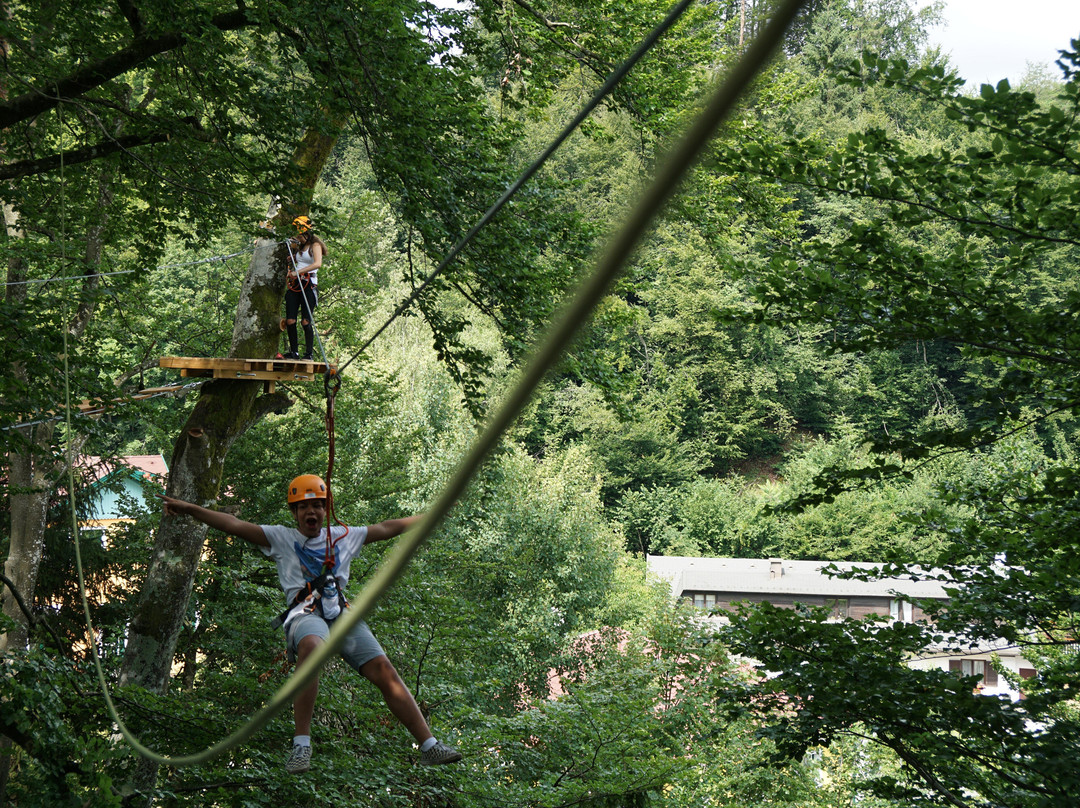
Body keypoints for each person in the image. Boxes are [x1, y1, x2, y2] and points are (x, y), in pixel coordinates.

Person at [159, 475, 463, 773]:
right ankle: (301, 744)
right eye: (303, 507)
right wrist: (189, 509)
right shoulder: (281, 537)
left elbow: (386, 528)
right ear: (294, 513)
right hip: (304, 614)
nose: (311, 512)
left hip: (340, 612)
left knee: (384, 669)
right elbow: (233, 525)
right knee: (313, 646)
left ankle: (429, 746)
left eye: (317, 505)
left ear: (326, 509)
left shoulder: (344, 536)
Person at [281, 215, 326, 361]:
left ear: (307, 234)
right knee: (290, 321)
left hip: (308, 284)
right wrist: (293, 260)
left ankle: (308, 354)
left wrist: (297, 272)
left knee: (305, 321)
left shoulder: (315, 246)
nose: (297, 238)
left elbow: (317, 264)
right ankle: (294, 352)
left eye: (300, 236)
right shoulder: (300, 247)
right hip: (295, 285)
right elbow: (300, 260)